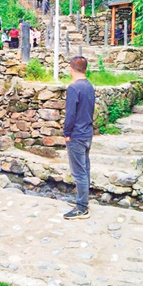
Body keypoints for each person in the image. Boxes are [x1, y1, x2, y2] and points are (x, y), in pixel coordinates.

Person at [63, 56, 95, 220]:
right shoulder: (89, 86)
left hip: (76, 134)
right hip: (87, 132)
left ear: (71, 69)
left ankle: (82, 207)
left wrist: (66, 133)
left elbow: (70, 114)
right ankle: (83, 200)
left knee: (79, 172)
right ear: (86, 69)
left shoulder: (74, 88)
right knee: (85, 169)